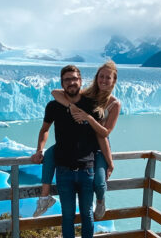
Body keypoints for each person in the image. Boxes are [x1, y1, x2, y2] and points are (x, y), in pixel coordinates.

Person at [31, 65, 101, 238]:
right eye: (67, 79)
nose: (72, 82)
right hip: (64, 172)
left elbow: (103, 133)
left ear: (81, 81)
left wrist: (107, 161)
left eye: (75, 78)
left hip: (88, 169)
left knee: (88, 216)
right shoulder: (53, 106)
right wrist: (40, 149)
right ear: (62, 83)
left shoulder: (90, 104)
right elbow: (44, 130)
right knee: (68, 217)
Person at [32, 61, 120, 219]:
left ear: (114, 80)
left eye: (108, 77)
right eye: (101, 76)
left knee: (100, 183)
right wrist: (71, 106)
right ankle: (44, 197)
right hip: (83, 142)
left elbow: (104, 133)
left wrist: (110, 161)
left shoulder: (114, 103)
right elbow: (55, 92)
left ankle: (100, 201)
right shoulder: (88, 95)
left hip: (100, 143)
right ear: (96, 77)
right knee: (52, 153)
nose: (104, 80)